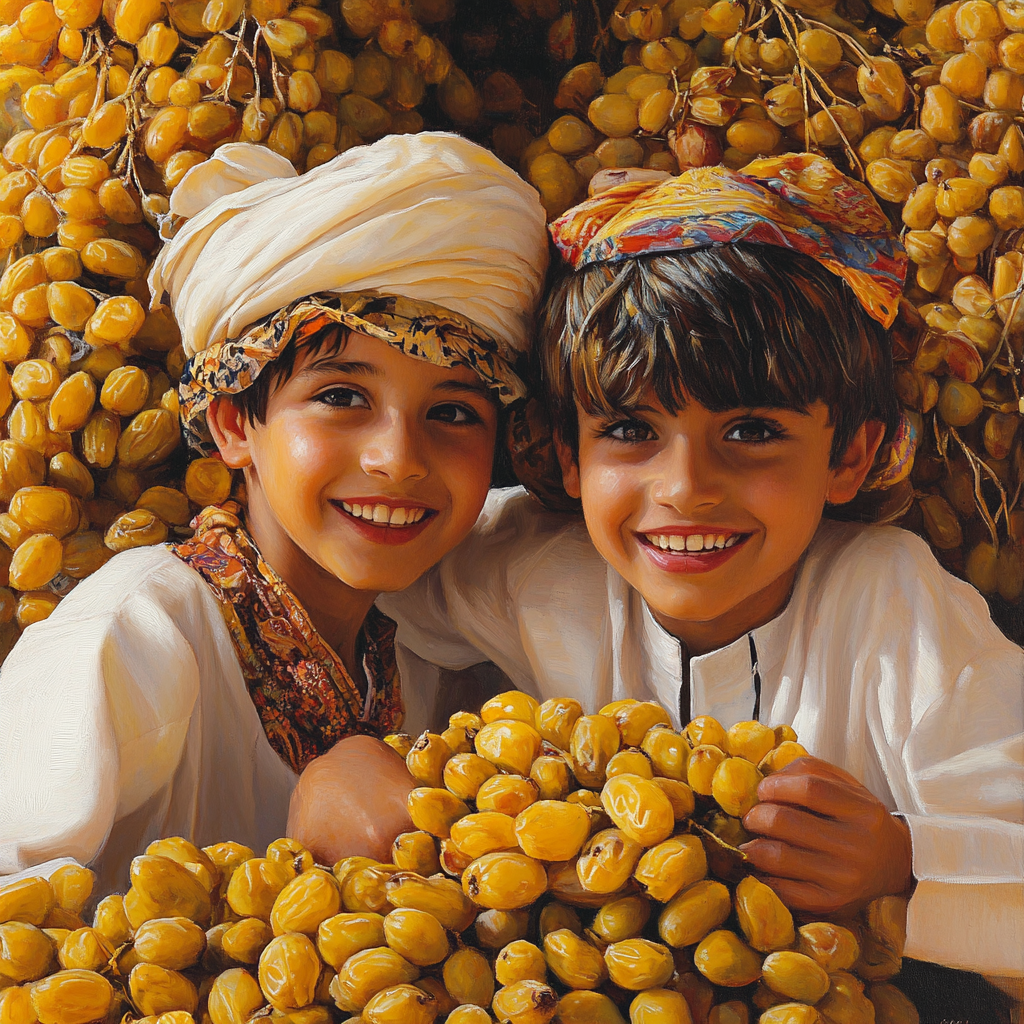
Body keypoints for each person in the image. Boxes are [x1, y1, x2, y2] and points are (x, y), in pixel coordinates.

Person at [290, 154, 1024, 979]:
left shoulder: (895, 602)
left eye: (750, 431)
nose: (686, 489)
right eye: (631, 431)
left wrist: (905, 865)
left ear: (851, 455)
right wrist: (342, 755)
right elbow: (358, 599)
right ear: (567, 455)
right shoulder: (531, 568)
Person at [0, 132, 549, 896]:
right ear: (233, 425)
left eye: (454, 411)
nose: (399, 457)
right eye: (341, 397)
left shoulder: (439, 662)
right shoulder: (133, 632)